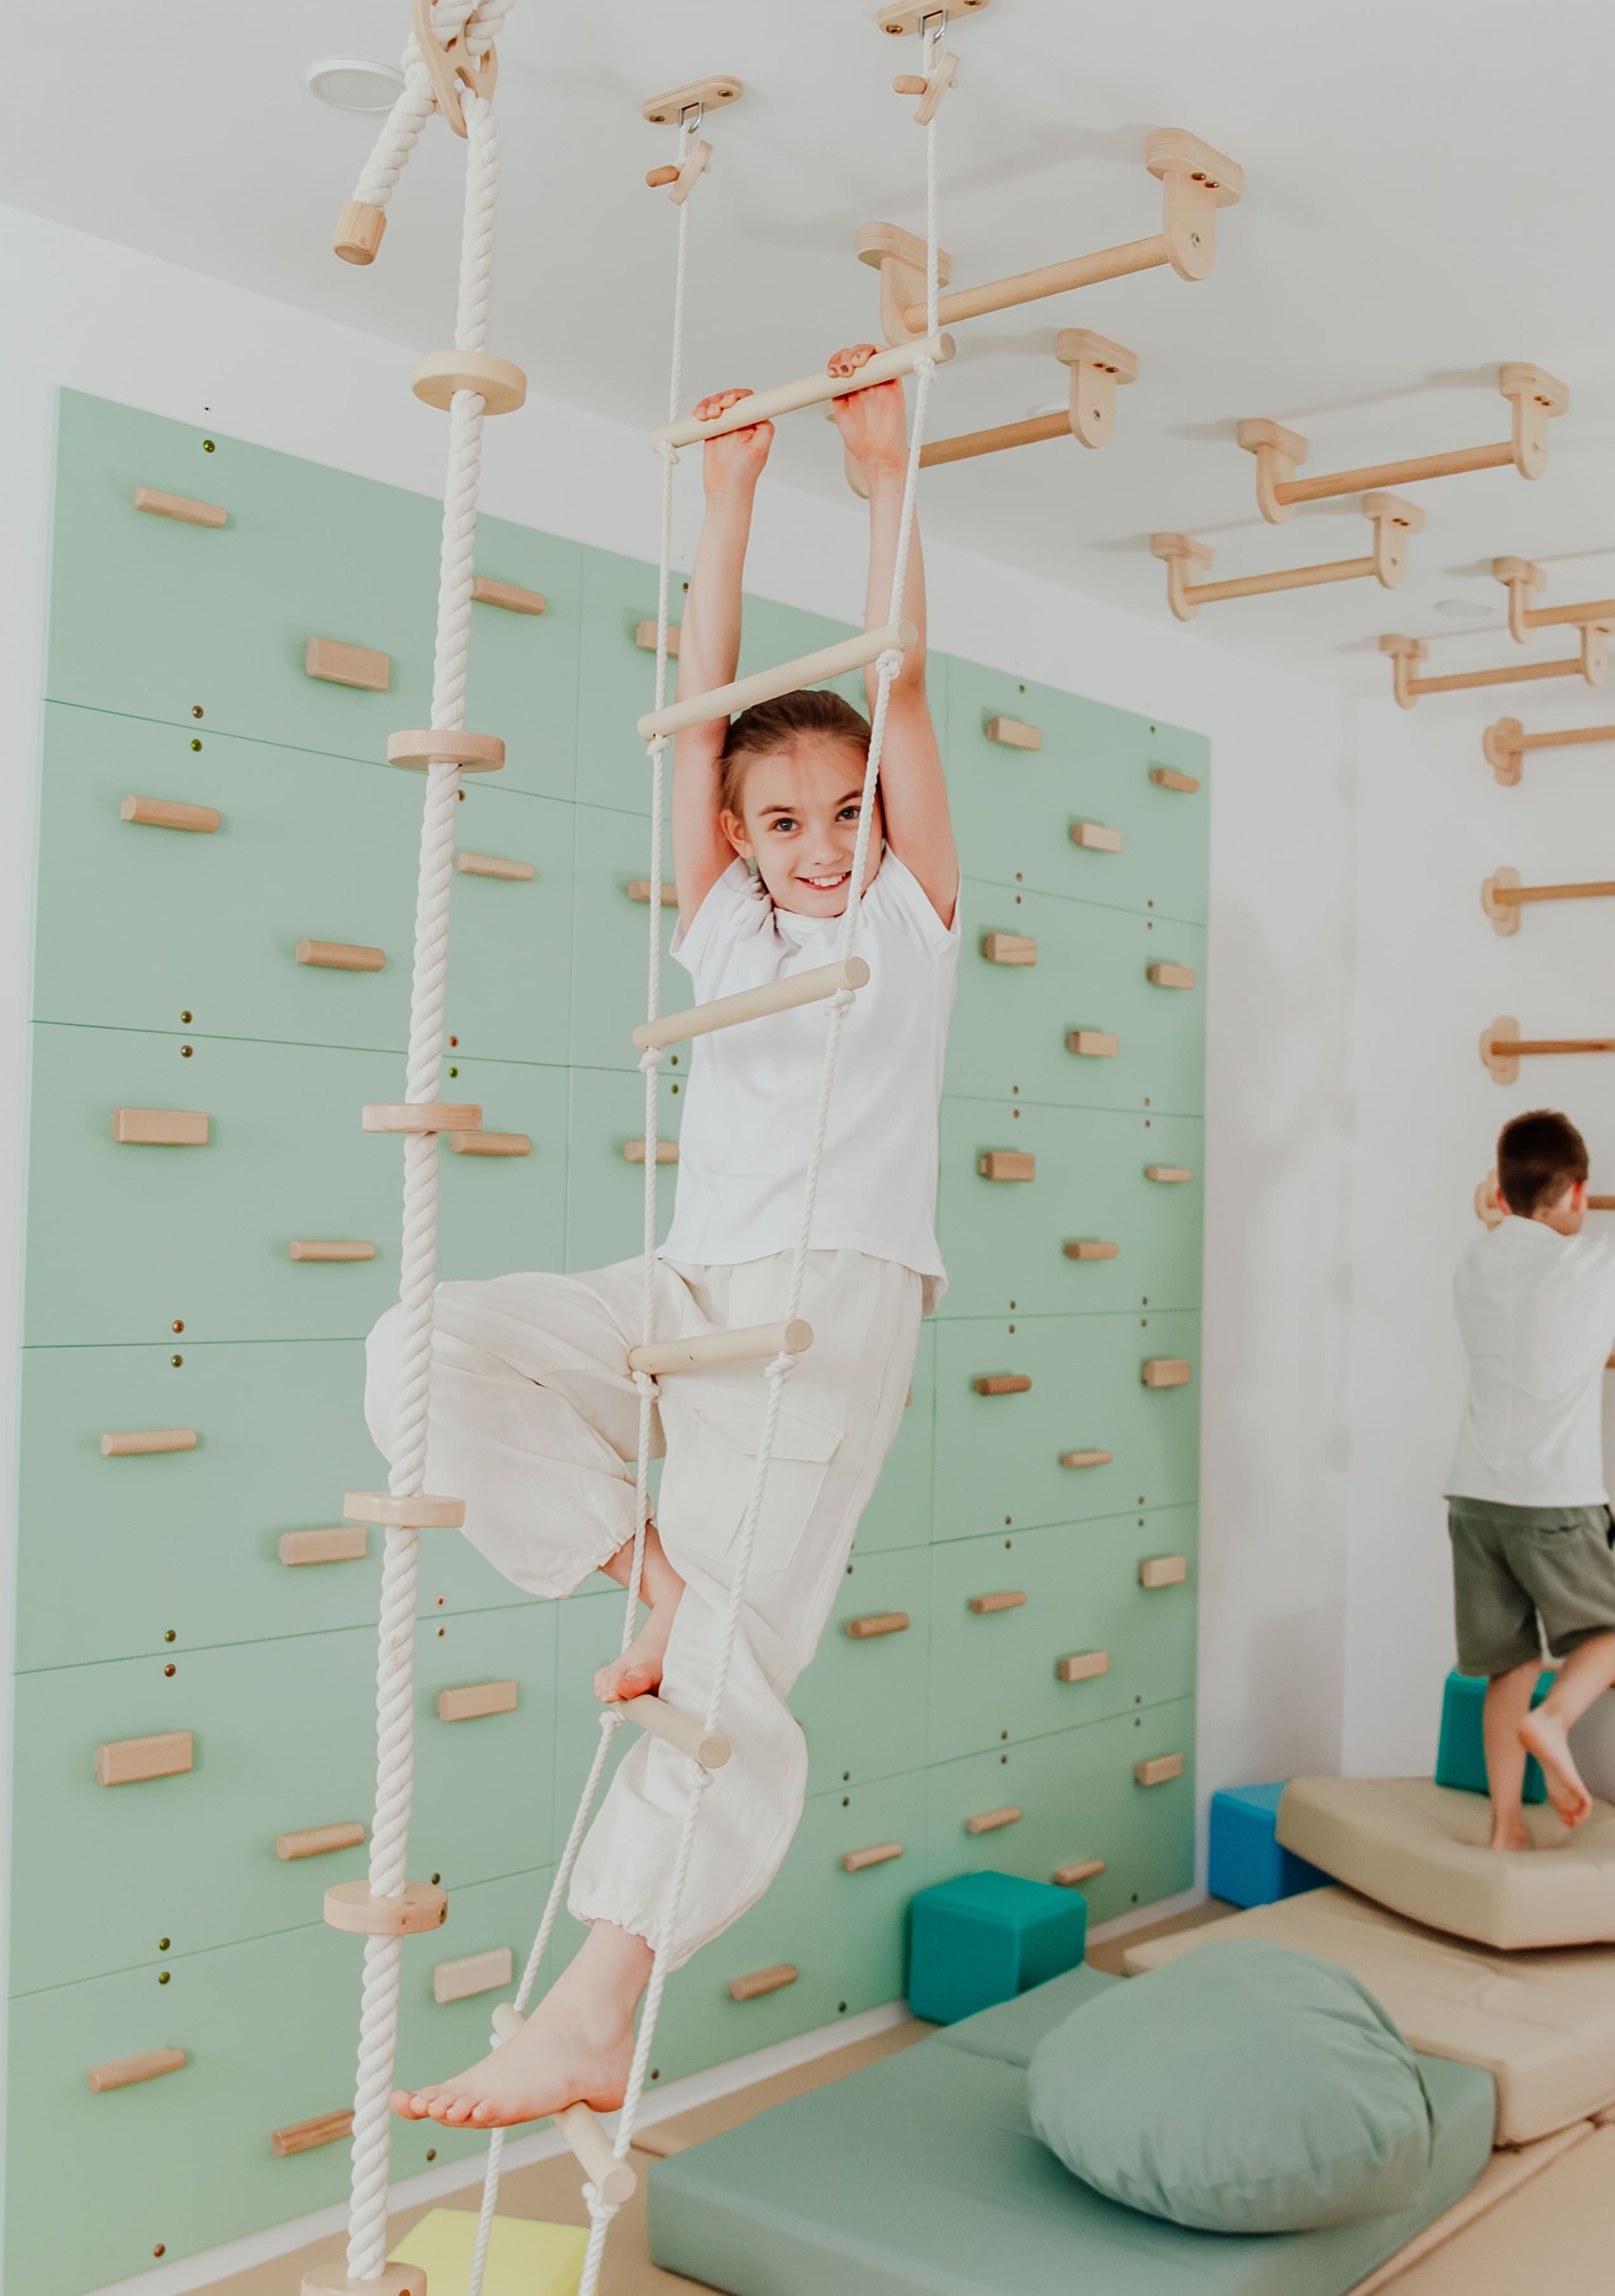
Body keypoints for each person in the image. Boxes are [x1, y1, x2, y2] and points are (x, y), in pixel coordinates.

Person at [374, 344, 957, 2129]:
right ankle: (653, 1582)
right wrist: (721, 500)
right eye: (783, 822)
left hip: (826, 1304)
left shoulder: (916, 925)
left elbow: (899, 683)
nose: (823, 844)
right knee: (424, 1349)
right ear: (736, 838)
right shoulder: (722, 935)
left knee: (718, 1693)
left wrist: (879, 479)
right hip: (690, 1286)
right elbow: (693, 717)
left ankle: (599, 1996)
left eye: (847, 811)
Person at [1447, 1109, 1615, 1846]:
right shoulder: (1590, 1266)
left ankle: (1505, 1826)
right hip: (1553, 1500)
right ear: (1580, 1194)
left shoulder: (1475, 1265)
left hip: (1474, 1496)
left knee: (1507, 1667)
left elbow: (1504, 1232)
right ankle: (1555, 1719)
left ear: (1501, 1197)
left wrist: (1499, 1210)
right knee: (1610, 1634)